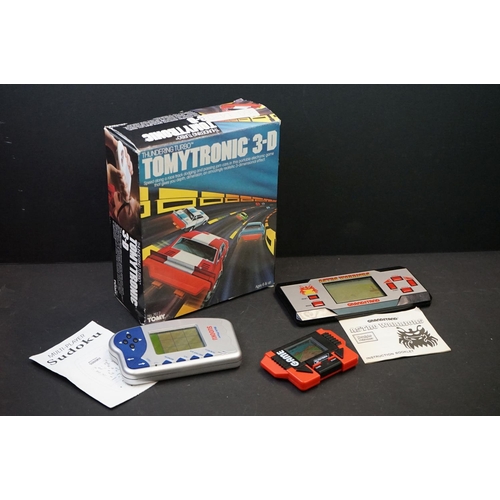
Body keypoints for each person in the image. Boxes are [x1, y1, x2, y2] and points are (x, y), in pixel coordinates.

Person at [105, 129, 141, 237]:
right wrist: (114, 144)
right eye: (131, 198)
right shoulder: (113, 196)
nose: (126, 197)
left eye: (129, 210)